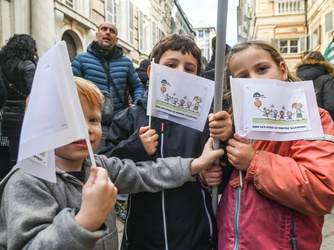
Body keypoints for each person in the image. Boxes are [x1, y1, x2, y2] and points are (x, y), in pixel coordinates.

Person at [0, 76, 224, 249]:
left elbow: (145, 173)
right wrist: (85, 220)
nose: (86, 128)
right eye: (71, 118)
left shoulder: (97, 165)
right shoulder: (27, 180)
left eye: (93, 120)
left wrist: (195, 165)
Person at [205, 41, 334, 249]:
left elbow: (321, 191)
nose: (255, 80)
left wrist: (254, 161)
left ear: (283, 70)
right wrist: (219, 151)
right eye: (243, 77)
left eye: (261, 69)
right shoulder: (239, 124)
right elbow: (225, 182)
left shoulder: (313, 119)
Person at [100, 34, 229, 250]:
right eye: (171, 65)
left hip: (195, 237)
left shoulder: (207, 120)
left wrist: (212, 170)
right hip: (142, 238)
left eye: (189, 69)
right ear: (152, 72)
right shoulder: (129, 118)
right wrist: (135, 147)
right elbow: (105, 169)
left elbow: (223, 172)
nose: (180, 73)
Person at [71, 21, 144, 153]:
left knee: (116, 161)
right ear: (97, 34)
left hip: (119, 125)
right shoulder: (81, 59)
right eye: (104, 29)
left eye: (112, 31)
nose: (108, 32)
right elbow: (71, 88)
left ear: (116, 39)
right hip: (93, 124)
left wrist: (136, 104)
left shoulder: (126, 63)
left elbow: (137, 86)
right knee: (95, 161)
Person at [0, 34, 38, 168]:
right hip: (25, 115)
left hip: (8, 116)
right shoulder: (27, 65)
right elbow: (36, 90)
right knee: (29, 158)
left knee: (14, 157)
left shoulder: (4, 65)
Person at [295, 50, 334, 123]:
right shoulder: (326, 79)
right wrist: (333, 122)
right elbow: (331, 106)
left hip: (300, 122)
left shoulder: (296, 78)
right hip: (321, 122)